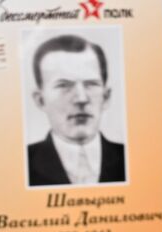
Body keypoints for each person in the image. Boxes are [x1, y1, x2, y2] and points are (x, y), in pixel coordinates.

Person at [26, 34, 126, 187]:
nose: (81, 98)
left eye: (91, 84)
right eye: (64, 85)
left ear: (106, 97)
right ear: (40, 100)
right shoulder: (21, 164)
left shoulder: (130, 158)